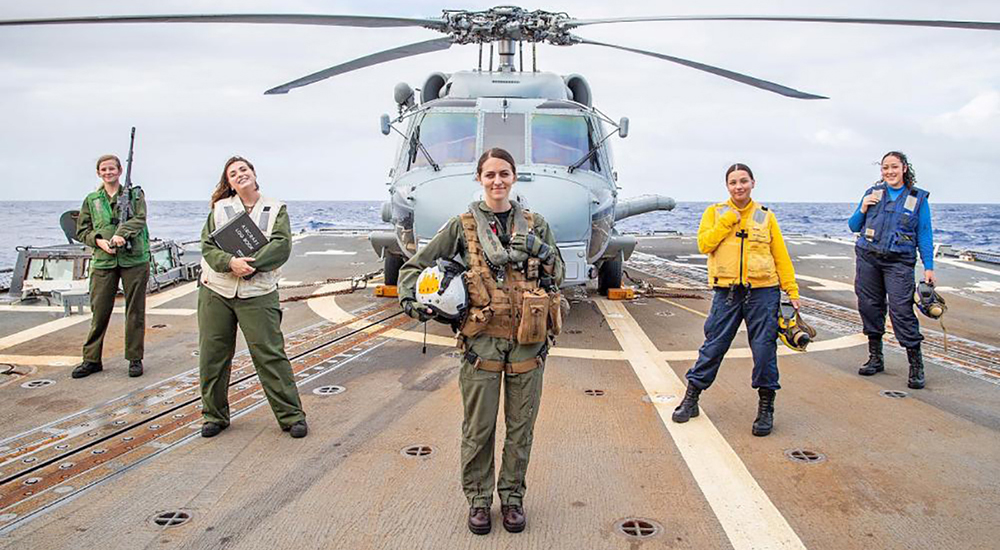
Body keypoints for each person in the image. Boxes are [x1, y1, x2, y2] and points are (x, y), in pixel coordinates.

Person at [398, 148, 564, 535]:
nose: (497, 181)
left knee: (521, 428)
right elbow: (416, 265)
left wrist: (540, 251)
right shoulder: (463, 225)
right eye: (490, 175)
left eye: (504, 174)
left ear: (514, 177)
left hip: (529, 341)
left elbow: (559, 269)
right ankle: (477, 500)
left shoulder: (536, 225)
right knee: (479, 428)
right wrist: (412, 300)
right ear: (479, 178)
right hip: (481, 344)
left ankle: (512, 499)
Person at [672, 163, 800, 437]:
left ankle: (766, 407)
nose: (739, 186)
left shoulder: (766, 217)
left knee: (765, 350)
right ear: (727, 186)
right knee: (714, 346)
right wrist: (727, 221)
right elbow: (704, 244)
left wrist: (792, 291)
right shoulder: (714, 213)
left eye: (744, 181)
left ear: (753, 183)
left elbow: (781, 255)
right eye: (733, 182)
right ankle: (691, 397)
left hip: (763, 292)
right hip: (727, 292)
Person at [197, 156, 307, 439]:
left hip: (257, 291)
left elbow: (281, 246)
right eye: (233, 173)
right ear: (229, 182)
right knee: (213, 356)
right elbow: (207, 246)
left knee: (270, 354)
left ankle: (291, 416)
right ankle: (214, 416)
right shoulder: (220, 208)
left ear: (254, 174)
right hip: (217, 290)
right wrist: (229, 263)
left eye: (243, 169)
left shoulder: (276, 208)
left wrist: (249, 265)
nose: (239, 174)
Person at [849, 151, 934, 389]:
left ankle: (916, 364)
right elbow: (853, 225)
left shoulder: (918, 199)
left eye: (894, 167)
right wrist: (863, 208)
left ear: (904, 168)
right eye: (885, 168)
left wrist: (929, 266)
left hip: (899, 261)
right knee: (869, 306)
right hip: (868, 258)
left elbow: (924, 234)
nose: (889, 172)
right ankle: (876, 357)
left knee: (901, 310)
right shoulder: (872, 194)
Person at [72, 154, 149, 379]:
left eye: (112, 169)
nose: (108, 173)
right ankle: (91, 359)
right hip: (103, 261)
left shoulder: (135, 195)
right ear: (99, 173)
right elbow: (82, 230)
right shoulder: (92, 199)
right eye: (104, 170)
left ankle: (135, 358)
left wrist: (120, 235)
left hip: (134, 259)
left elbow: (139, 219)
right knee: (99, 311)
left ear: (119, 171)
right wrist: (98, 241)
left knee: (135, 311)